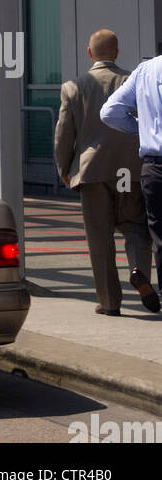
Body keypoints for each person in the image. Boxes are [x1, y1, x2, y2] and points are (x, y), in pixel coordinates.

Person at [57, 29, 157, 316]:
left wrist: (64, 168)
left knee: (99, 238)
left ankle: (110, 302)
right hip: (130, 169)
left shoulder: (74, 86)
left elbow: (64, 134)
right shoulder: (133, 81)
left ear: (90, 53)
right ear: (116, 52)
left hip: (92, 171)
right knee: (136, 226)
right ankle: (139, 270)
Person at [101, 39, 162, 310]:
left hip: (153, 166)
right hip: (134, 172)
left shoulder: (145, 70)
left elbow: (109, 112)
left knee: (158, 235)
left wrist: (143, 128)